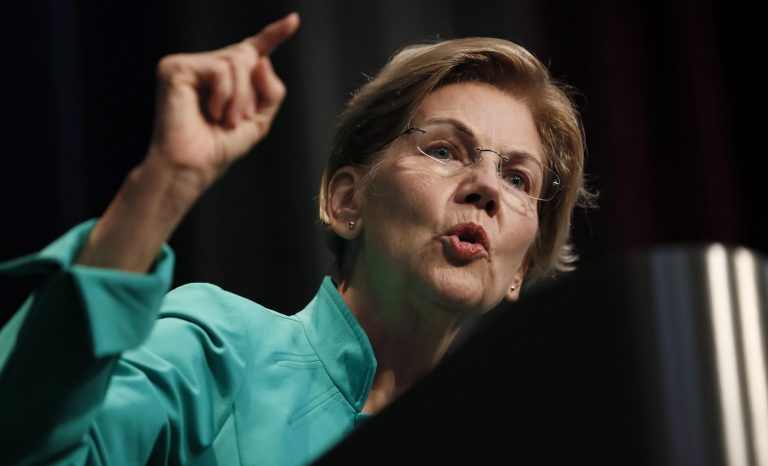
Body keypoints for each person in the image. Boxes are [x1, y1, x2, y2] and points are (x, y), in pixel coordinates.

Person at [0, 11, 591, 466]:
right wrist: (164, 182)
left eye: (518, 178)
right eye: (442, 149)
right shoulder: (218, 353)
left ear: (522, 268)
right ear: (346, 201)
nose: (486, 186)